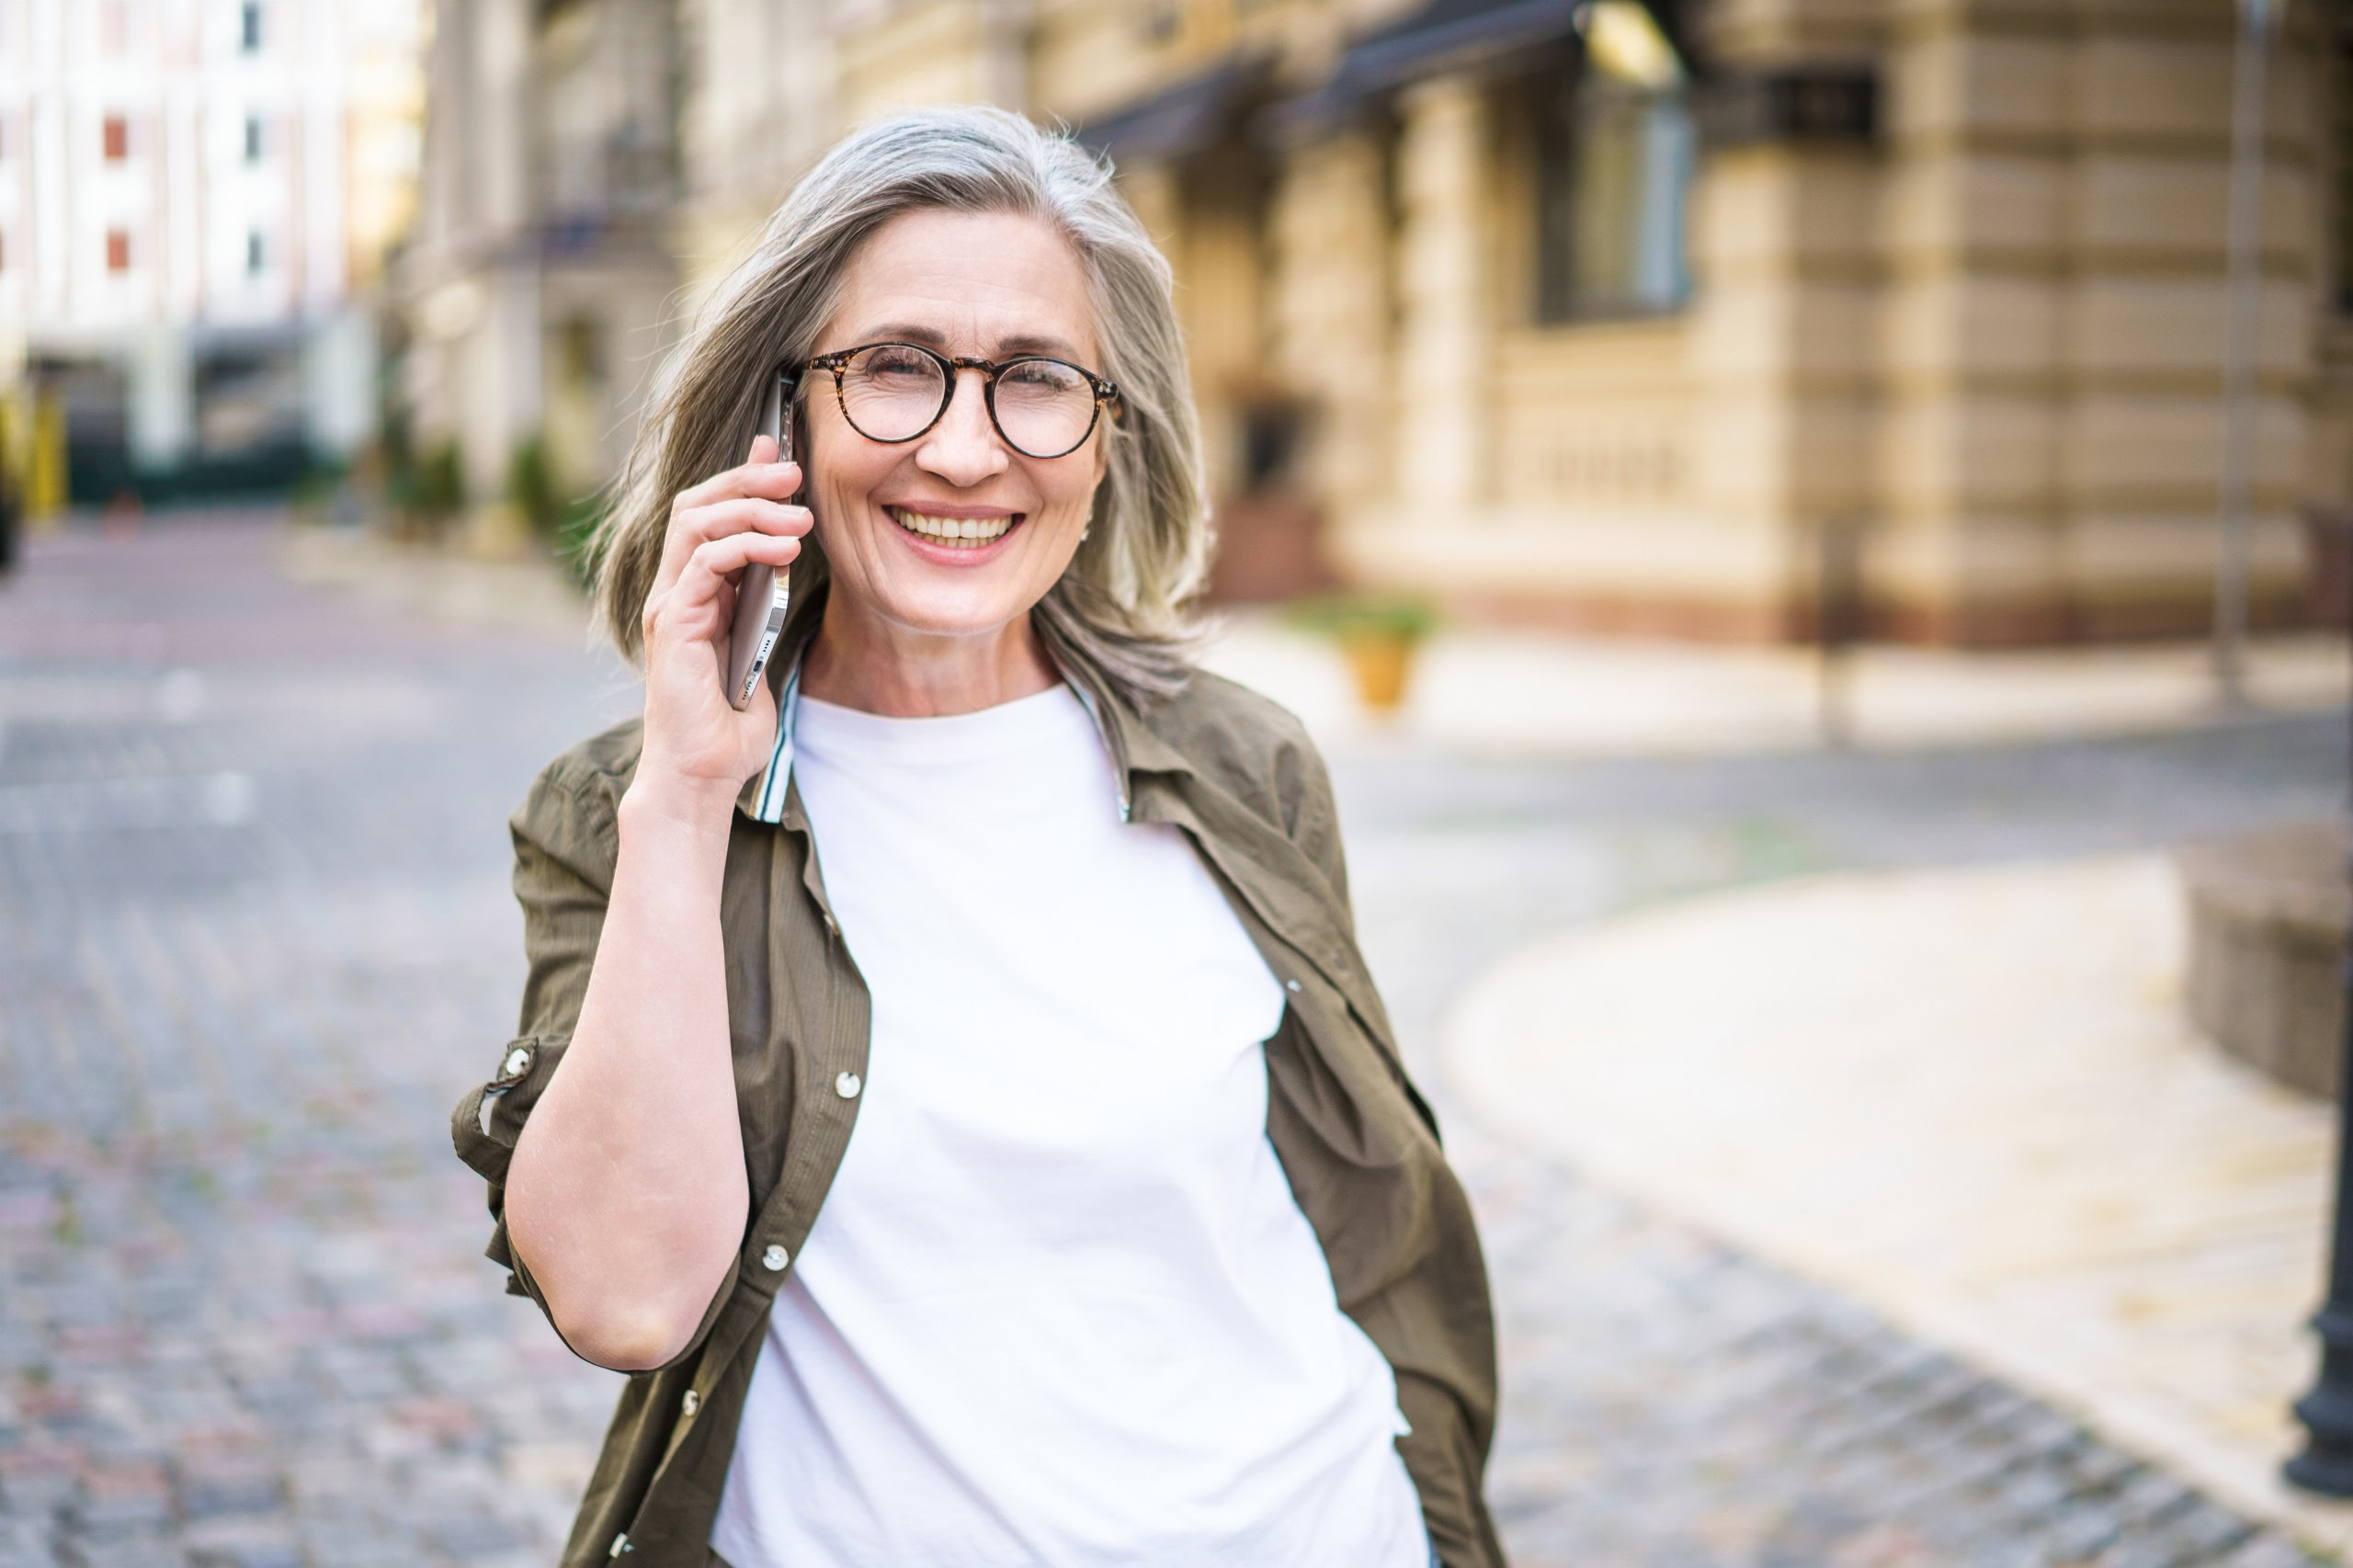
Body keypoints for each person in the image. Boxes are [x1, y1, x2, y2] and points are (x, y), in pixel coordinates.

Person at [452, 105, 1500, 1568]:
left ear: (1107, 431)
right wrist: (686, 795)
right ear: (784, 417)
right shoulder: (629, 812)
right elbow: (624, 1300)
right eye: (895, 370)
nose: (963, 448)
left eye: (1035, 380)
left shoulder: (1242, 762)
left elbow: (1371, 1236)